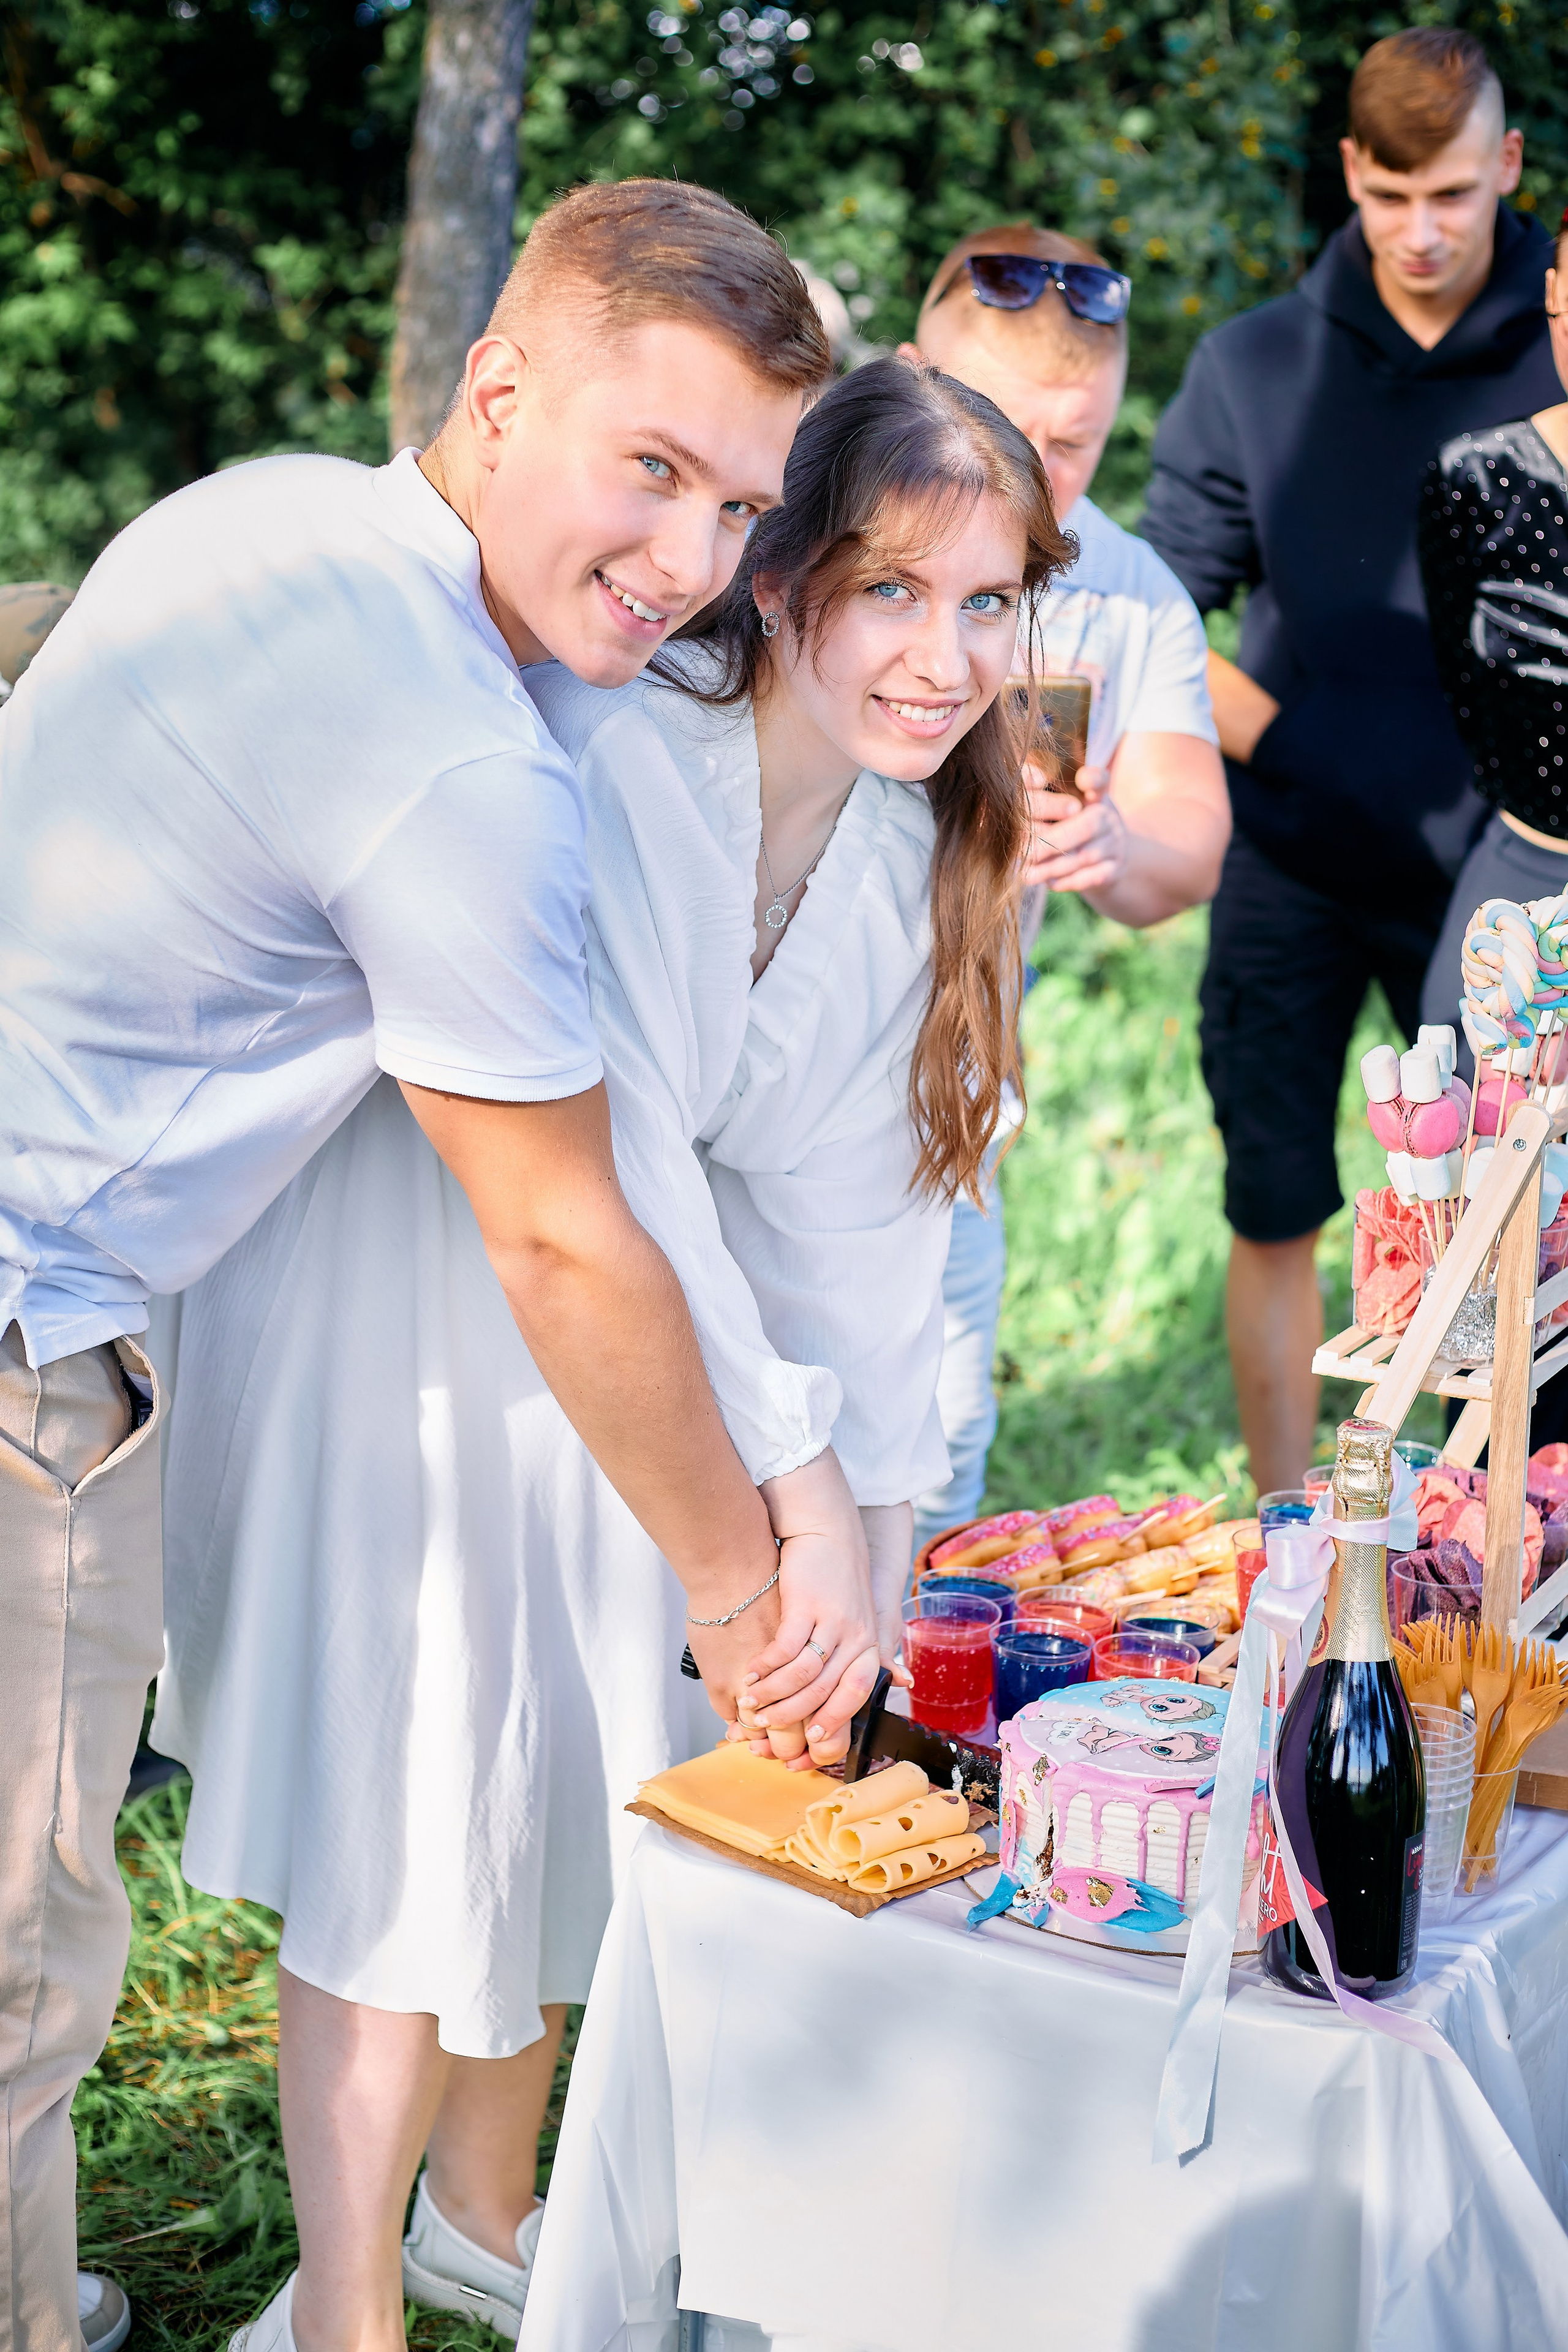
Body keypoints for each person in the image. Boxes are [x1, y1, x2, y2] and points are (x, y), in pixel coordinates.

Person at [0, 178, 883, 2352]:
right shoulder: (460, 759)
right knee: (20, 1968)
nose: (690, 562)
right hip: (27, 1348)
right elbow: (568, 1230)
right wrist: (747, 1593)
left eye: (742, 507)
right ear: (502, 389)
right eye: (648, 467)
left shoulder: (270, 520)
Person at [154, 357, 1068, 2349]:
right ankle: (342, 2305)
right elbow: (632, 1148)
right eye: (894, 592)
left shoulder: (912, 852)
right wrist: (794, 1498)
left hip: (621, 1331)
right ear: (786, 579)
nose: (943, 656)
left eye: (989, 602)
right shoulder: (632, 758)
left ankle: (484, 2211)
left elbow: (856, 1244)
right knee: (409, 1782)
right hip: (414, 1280)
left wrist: (877, 1604)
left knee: (581, 1739)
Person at [1141, 28, 1561, 1494]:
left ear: (1505, 166)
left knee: (1493, 1226)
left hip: (1500, 871)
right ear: (1348, 176)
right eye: (1389, 198)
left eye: (1451, 191)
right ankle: (1278, 1520)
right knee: (1273, 1198)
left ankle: (1460, 1535)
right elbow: (1153, 611)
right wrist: (1291, 738)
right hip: (1291, 856)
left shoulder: (1556, 338)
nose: (1422, 230)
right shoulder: (1251, 362)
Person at [902, 224, 1229, 1541]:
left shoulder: (1132, 593)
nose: (1040, 476)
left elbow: (1185, 848)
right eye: (1004, 429)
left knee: (933, 1449)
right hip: (736, 1092)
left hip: (952, 1092)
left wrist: (1110, 850)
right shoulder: (795, 528)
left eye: (1078, 444)